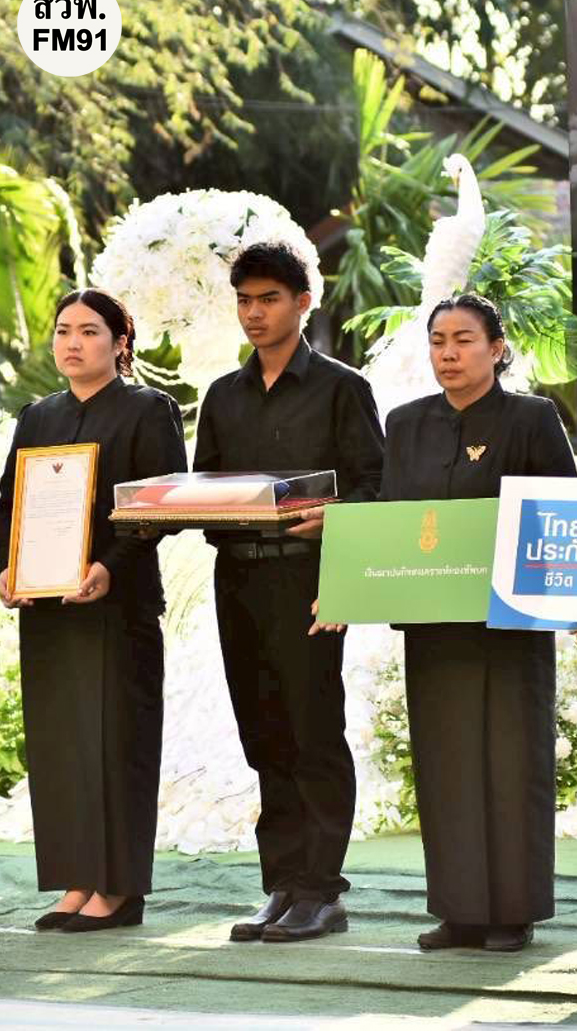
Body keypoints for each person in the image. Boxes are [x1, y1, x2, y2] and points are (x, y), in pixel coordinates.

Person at [373, 293, 577, 952]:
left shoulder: (532, 418)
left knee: (512, 763)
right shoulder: (405, 423)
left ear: (497, 347)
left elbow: (564, 510)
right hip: (434, 624)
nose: (449, 353)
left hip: (510, 625)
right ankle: (459, 910)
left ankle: (512, 911)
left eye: (464, 339)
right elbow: (389, 514)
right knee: (446, 762)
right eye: (438, 341)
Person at [194, 242, 384, 943]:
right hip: (238, 578)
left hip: (311, 580)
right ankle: (281, 885)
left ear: (303, 303)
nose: (254, 313)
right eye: (244, 300)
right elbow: (204, 488)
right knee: (264, 733)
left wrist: (337, 518)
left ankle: (321, 891)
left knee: (313, 731)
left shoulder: (342, 388)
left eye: (269, 299)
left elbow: (375, 486)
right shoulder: (222, 395)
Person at [0, 289, 187, 932]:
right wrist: (6, 568)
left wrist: (109, 565)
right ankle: (77, 880)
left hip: (117, 604)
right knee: (61, 746)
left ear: (120, 342)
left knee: (116, 742)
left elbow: (160, 505)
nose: (72, 343)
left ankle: (119, 889)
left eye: (89, 331)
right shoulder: (38, 416)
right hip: (48, 606)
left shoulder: (147, 410)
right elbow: (8, 505)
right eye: (63, 330)